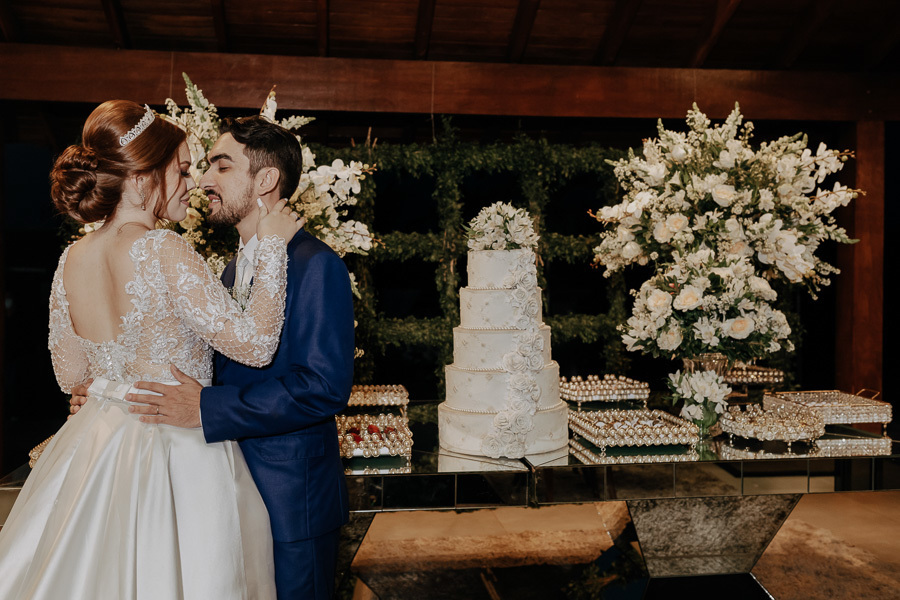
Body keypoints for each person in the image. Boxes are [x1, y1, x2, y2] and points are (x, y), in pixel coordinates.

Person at [0, 99, 302, 599]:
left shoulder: (70, 258)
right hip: (176, 448)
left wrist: (101, 388)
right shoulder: (163, 248)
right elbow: (255, 345)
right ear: (142, 179)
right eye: (181, 171)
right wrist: (271, 245)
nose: (192, 183)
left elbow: (69, 373)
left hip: (96, 447)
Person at [75, 116, 356, 599]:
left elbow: (322, 386)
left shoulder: (316, 264)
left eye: (220, 167)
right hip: (216, 490)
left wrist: (206, 409)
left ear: (265, 180)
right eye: (200, 168)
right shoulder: (225, 271)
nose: (203, 181)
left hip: (291, 501)